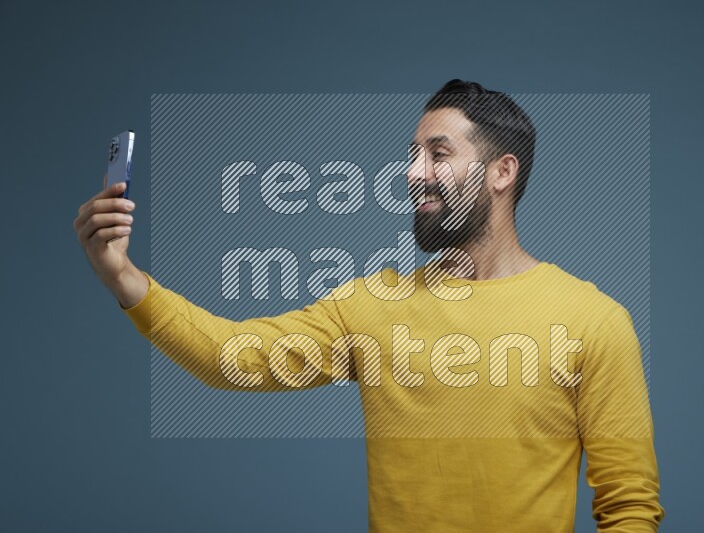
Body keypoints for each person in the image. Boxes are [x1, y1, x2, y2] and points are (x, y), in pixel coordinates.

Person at [74, 79, 665, 532]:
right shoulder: (372, 306)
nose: (413, 173)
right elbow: (232, 356)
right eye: (412, 155)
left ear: (501, 172)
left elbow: (629, 505)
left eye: (438, 154)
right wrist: (123, 276)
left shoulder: (594, 320)